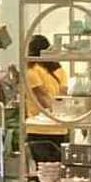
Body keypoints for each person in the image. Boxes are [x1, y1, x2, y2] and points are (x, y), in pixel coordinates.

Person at [24, 34, 69, 163]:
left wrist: (51, 113)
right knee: (58, 168)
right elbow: (63, 95)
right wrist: (60, 116)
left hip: (39, 127)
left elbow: (42, 96)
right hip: (60, 126)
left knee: (44, 170)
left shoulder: (32, 71)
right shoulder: (59, 70)